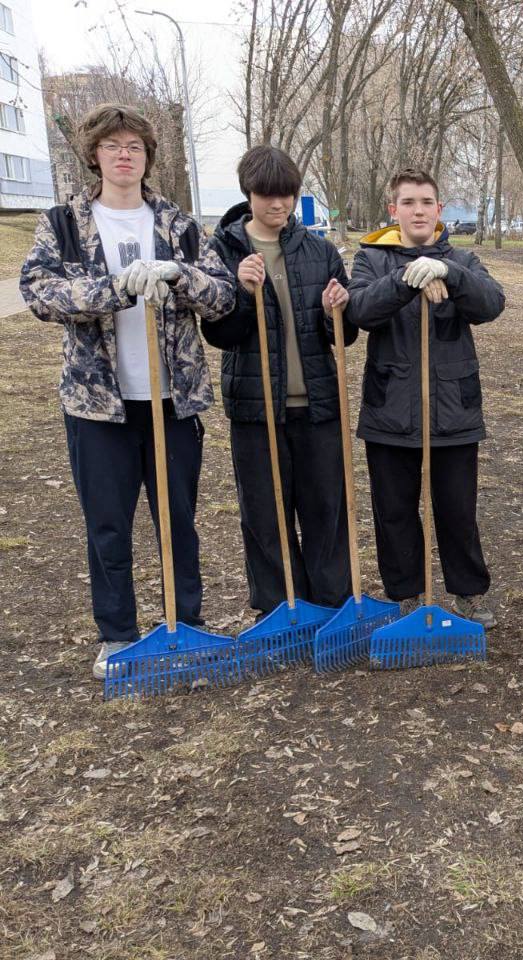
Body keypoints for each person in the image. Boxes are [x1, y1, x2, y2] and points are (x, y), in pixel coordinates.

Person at [18, 103, 235, 678]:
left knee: (178, 520)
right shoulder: (64, 224)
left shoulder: (179, 226)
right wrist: (115, 289)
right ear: (95, 155)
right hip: (98, 406)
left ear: (147, 156)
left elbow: (223, 296)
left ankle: (185, 624)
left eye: (134, 146)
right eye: (112, 145)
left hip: (172, 400)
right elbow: (39, 292)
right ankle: (117, 635)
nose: (124, 155)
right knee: (108, 525)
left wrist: (180, 276)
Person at [345, 168, 505, 627]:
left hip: (453, 409)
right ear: (393, 210)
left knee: (457, 509)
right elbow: (360, 311)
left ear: (439, 209)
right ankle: (407, 596)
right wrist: (406, 279)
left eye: (427, 202)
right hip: (390, 409)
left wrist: (447, 272)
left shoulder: (463, 259)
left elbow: (491, 304)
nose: (418, 211)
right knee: (394, 511)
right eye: (408, 202)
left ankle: (469, 592)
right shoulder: (372, 259)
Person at [202, 145, 354, 618]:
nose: (279, 204)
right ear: (248, 193)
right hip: (257, 406)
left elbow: (344, 337)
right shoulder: (223, 252)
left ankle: (331, 608)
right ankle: (278, 610)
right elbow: (219, 334)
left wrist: (336, 312)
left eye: (286, 194)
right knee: (265, 516)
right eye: (268, 195)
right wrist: (241, 291)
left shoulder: (319, 251)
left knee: (326, 509)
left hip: (317, 404)